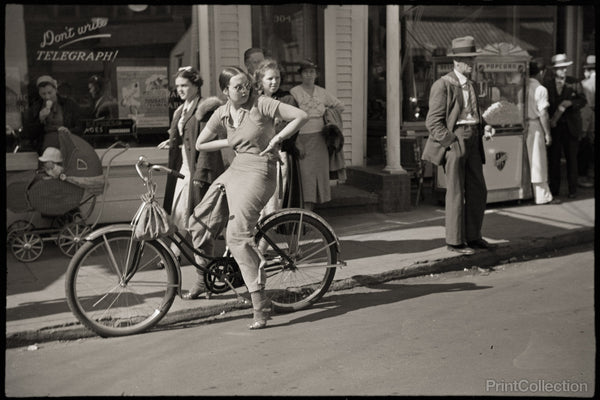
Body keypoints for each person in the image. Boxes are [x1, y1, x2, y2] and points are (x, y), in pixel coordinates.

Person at [187, 66, 308, 329]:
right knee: (199, 220)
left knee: (237, 234)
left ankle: (260, 304)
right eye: (237, 87)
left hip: (260, 170)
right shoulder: (222, 112)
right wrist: (230, 141)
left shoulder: (261, 103)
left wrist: (277, 137)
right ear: (225, 91)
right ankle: (201, 280)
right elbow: (200, 144)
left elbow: (301, 115)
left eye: (246, 85)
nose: (244, 90)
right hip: (237, 168)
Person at [421, 36, 495, 255]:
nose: (471, 63)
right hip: (456, 140)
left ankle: (473, 236)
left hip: (473, 139)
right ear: (456, 61)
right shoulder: (443, 84)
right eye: (466, 59)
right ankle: (454, 241)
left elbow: (473, 114)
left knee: (478, 190)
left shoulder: (471, 84)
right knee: (455, 191)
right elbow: (432, 122)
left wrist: (485, 127)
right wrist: (451, 142)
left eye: (472, 58)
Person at [157, 66, 225, 275]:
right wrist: (171, 141)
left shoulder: (204, 109)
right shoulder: (181, 109)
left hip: (197, 170)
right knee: (179, 215)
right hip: (182, 168)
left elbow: (207, 143)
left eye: (185, 85)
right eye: (177, 86)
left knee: (192, 217)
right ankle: (177, 254)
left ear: (196, 85)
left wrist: (201, 176)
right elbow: (185, 135)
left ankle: (193, 263)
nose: (180, 90)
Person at [290, 58, 345, 211]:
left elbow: (340, 106)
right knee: (305, 177)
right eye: (305, 72)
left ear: (316, 74)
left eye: (312, 72)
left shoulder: (322, 92)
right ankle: (303, 214)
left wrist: (328, 115)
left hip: (320, 139)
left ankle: (310, 215)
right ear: (301, 75)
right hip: (301, 138)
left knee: (317, 177)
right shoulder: (294, 92)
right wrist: (296, 140)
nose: (309, 75)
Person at [254, 58, 304, 216]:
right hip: (255, 157)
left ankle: (266, 238)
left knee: (272, 202)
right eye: (270, 78)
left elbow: (291, 128)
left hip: (278, 155)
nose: (274, 81)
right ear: (260, 80)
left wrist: (273, 132)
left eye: (277, 78)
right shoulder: (253, 100)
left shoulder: (287, 99)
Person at [544, 53, 587, 199]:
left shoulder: (574, 82)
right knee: (554, 160)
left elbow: (583, 101)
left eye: (564, 68)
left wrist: (572, 103)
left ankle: (572, 190)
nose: (563, 71)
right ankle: (554, 190)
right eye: (560, 68)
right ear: (554, 70)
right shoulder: (547, 84)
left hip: (571, 126)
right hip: (555, 127)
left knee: (571, 160)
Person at [526, 60, 559, 205]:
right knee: (538, 161)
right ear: (541, 72)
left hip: (524, 125)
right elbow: (543, 114)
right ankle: (542, 196)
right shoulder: (540, 89)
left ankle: (529, 193)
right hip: (535, 126)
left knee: (528, 161)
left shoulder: (523, 85)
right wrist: (548, 133)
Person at [26, 75, 81, 154]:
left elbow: (80, 127)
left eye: (50, 92)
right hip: (47, 146)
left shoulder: (69, 104)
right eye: (43, 94)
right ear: (39, 93)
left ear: (55, 89)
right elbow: (30, 135)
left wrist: (69, 131)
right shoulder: (35, 108)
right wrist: (40, 120)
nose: (47, 97)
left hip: (67, 144)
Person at [578, 55, 595, 188]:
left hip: (587, 114)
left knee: (585, 144)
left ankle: (583, 175)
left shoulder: (585, 84)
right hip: (591, 115)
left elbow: (584, 105)